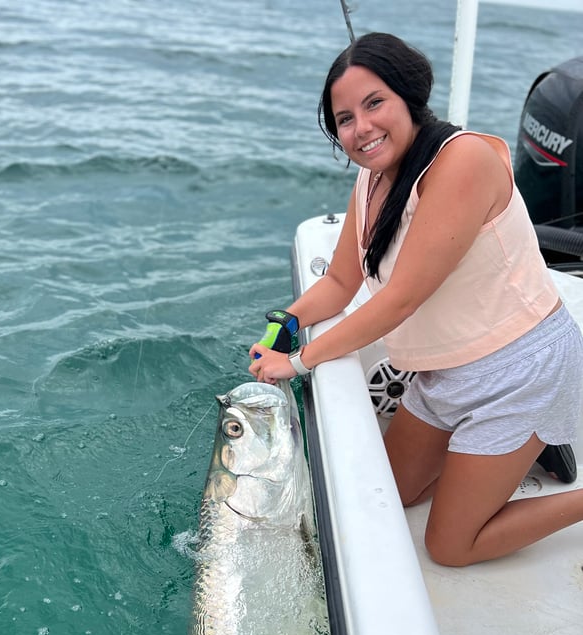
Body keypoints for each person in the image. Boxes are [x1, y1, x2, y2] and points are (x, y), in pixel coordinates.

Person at [248, 32, 583, 567]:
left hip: (519, 369)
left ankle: (538, 455)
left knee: (449, 546)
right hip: (444, 370)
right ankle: (519, 453)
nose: (361, 128)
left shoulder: (463, 160)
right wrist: (285, 324)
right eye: (344, 118)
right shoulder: (373, 178)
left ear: (409, 94)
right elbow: (339, 282)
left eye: (374, 103)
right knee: (393, 493)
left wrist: (299, 362)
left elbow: (401, 298)